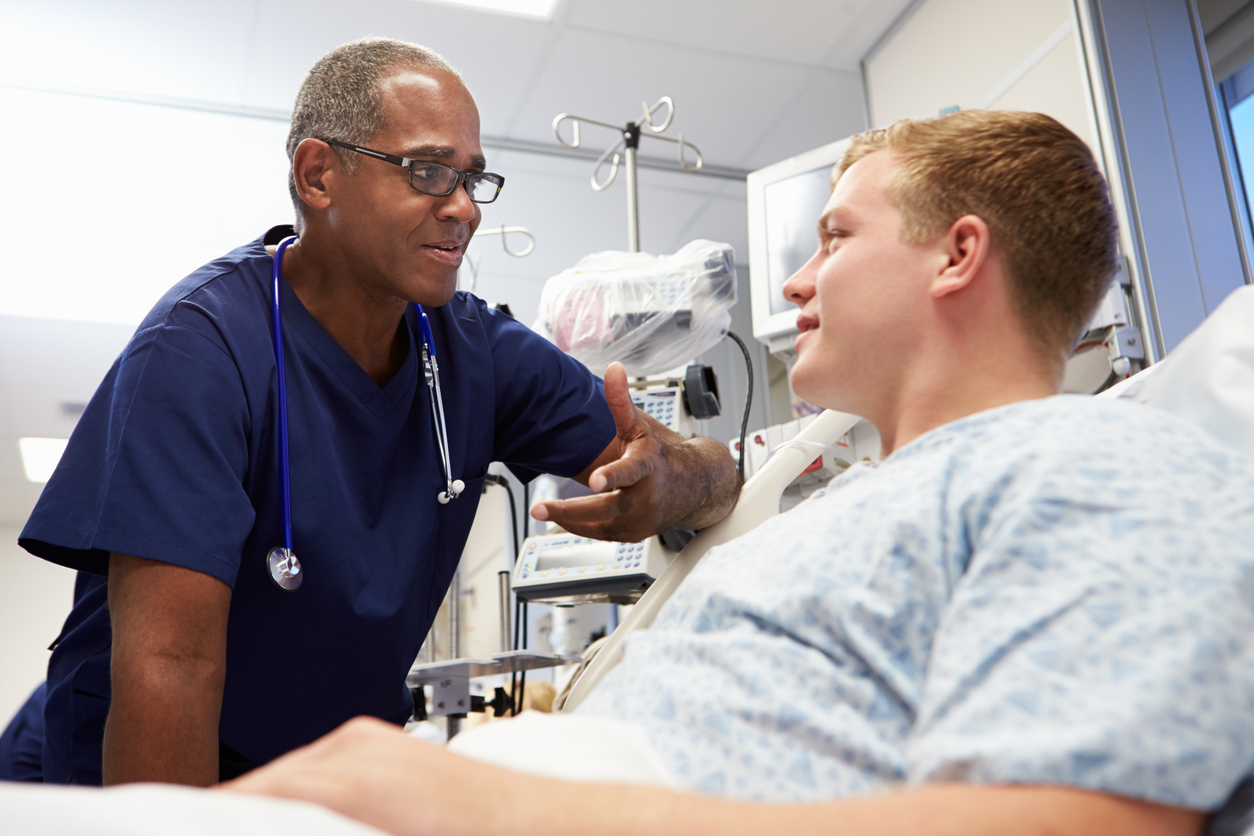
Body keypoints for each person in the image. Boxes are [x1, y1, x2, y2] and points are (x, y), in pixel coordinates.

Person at [223, 110, 1254, 836]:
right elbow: (715, 487)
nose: (797, 281)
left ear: (958, 255)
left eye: (837, 237)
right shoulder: (843, 496)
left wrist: (505, 805)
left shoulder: (1103, 461)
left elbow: (1063, 817)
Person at [3, 37, 739, 787]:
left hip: (326, 760)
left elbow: (714, 474)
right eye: (428, 171)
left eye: (473, 179)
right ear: (318, 174)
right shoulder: (200, 350)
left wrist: (670, 481)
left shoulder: (477, 350)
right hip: (141, 765)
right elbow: (173, 666)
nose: (462, 208)